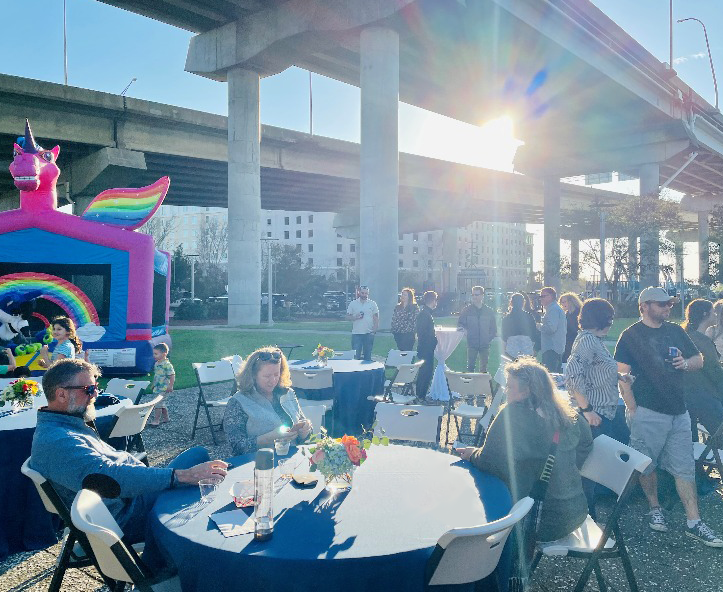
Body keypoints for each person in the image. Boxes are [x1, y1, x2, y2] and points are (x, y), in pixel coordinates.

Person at [30, 358, 227, 544]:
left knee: (198, 455)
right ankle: (183, 552)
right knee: (199, 483)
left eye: (96, 387)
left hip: (128, 501)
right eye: (88, 389)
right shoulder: (58, 440)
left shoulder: (66, 424)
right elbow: (111, 480)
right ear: (61, 394)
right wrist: (183, 476)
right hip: (125, 518)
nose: (95, 395)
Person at [615, 287, 722, 546]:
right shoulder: (630, 335)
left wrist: (685, 364)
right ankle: (655, 508)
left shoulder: (676, 331)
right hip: (648, 412)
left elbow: (699, 359)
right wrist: (633, 409)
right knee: (646, 465)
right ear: (644, 306)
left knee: (684, 466)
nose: (667, 308)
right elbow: (622, 376)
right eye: (661, 304)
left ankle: (694, 521)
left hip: (679, 411)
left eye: (669, 305)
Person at [458, 357, 593, 544]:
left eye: (510, 387)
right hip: (575, 513)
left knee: (477, 496)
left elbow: (491, 463)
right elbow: (586, 444)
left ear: (527, 391)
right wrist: (563, 468)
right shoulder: (568, 414)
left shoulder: (512, 415)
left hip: (541, 521)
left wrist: (472, 454)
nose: (506, 391)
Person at [565, 298, 629, 517]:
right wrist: (587, 410)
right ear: (601, 319)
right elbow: (572, 374)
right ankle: (586, 516)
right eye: (609, 318)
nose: (612, 323)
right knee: (590, 469)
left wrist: (619, 376)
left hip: (603, 412)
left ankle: (588, 514)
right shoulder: (588, 340)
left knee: (596, 466)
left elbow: (596, 369)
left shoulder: (594, 340)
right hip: (595, 415)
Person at [223, 347, 313, 456]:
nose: (273, 380)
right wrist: (268, 438)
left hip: (291, 460)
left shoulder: (288, 393)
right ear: (253, 375)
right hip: (258, 463)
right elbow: (235, 447)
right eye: (267, 376)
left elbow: (303, 431)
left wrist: (305, 432)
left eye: (276, 374)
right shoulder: (238, 402)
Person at [682, 299, 723, 439]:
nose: (716, 315)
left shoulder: (687, 336)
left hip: (691, 396)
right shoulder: (701, 341)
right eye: (713, 312)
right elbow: (715, 372)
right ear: (705, 314)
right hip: (706, 396)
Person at [457, 285, 497, 372]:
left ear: (482, 295)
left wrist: (487, 339)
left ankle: (481, 385)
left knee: (483, 369)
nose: (474, 297)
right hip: (472, 344)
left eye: (477, 295)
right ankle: (470, 385)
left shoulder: (489, 311)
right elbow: (460, 325)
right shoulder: (467, 310)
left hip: (485, 345)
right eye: (473, 295)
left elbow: (493, 329)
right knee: (470, 368)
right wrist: (466, 332)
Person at [345, 285, 379, 361]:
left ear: (368, 293)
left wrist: (375, 329)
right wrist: (355, 317)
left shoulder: (372, 304)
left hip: (368, 333)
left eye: (366, 293)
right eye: (362, 293)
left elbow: (376, 318)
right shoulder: (353, 303)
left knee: (367, 356)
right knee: (356, 357)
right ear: (359, 292)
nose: (364, 295)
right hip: (357, 333)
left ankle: (367, 371)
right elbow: (347, 316)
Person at [415, 291, 438, 400]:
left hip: (425, 347)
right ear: (433, 300)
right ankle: (421, 395)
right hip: (426, 348)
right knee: (426, 372)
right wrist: (433, 340)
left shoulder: (425, 313)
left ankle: (421, 394)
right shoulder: (425, 314)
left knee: (425, 372)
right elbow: (422, 332)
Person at [538, 287, 566, 373]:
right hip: (554, 348)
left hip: (551, 349)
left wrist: (539, 326)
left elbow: (551, 328)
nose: (541, 298)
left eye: (543, 296)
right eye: (540, 296)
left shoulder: (553, 309)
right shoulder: (553, 308)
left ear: (550, 296)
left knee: (551, 376)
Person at [501, 293, 538, 358]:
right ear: (523, 303)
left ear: (511, 303)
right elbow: (534, 333)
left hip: (511, 348)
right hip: (526, 346)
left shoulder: (506, 318)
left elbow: (504, 336)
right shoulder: (529, 316)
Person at [148, 343, 175, 426]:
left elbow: (172, 375)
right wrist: (153, 384)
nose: (154, 355)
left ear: (164, 354)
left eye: (156, 354)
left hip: (164, 388)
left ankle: (156, 420)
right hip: (158, 387)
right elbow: (157, 376)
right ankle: (166, 418)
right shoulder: (157, 364)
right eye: (154, 353)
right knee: (161, 404)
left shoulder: (167, 365)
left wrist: (170, 386)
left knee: (157, 404)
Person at [559, 292, 583, 363]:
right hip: (567, 343)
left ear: (571, 301)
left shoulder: (579, 312)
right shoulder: (566, 314)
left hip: (577, 342)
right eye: (561, 302)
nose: (562, 304)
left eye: (564, 302)